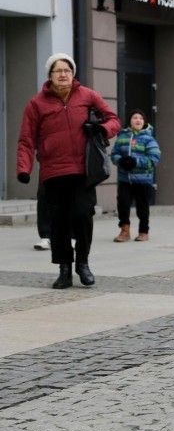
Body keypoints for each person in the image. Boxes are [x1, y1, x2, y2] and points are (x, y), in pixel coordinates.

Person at [16, 53, 120, 289]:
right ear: (50, 75)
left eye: (67, 70)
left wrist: (100, 129)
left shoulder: (88, 95)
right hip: (53, 172)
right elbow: (26, 139)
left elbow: (114, 119)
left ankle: (82, 263)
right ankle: (64, 269)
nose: (63, 74)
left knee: (83, 214)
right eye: (58, 70)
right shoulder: (36, 103)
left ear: (73, 74)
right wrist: (24, 168)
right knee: (59, 221)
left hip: (83, 169)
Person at [110, 109, 161, 243]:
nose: (138, 120)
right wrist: (120, 160)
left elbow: (154, 159)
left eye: (141, 118)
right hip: (125, 179)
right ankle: (124, 230)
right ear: (130, 121)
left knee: (142, 207)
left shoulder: (149, 139)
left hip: (143, 180)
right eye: (135, 118)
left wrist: (136, 162)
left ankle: (143, 231)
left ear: (144, 122)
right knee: (123, 204)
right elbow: (114, 154)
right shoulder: (122, 137)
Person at [33, 182, 51, 250]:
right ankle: (46, 237)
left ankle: (74, 237)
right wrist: (23, 171)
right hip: (47, 174)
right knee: (44, 195)